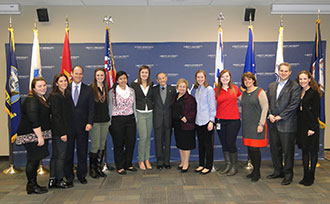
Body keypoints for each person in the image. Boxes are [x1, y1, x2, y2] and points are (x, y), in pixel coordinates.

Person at [266, 62, 300, 185]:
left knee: (288, 151)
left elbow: (294, 104)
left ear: (290, 72)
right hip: (273, 123)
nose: (283, 73)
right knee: (275, 149)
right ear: (278, 71)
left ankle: (288, 175)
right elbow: (267, 103)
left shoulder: (295, 86)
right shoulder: (271, 86)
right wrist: (269, 114)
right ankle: (278, 171)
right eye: (281, 70)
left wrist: (280, 116)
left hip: (287, 124)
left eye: (286, 71)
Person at [16, 77, 51, 194]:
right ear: (34, 88)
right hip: (32, 135)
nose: (43, 88)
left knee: (35, 160)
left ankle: (33, 184)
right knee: (32, 160)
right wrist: (40, 136)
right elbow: (33, 119)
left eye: (44, 85)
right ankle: (31, 185)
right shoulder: (32, 100)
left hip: (37, 134)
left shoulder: (40, 98)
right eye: (39, 86)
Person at [65, 65, 94, 186]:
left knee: (82, 152)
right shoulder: (65, 88)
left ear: (83, 75)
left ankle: (82, 175)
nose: (78, 76)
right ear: (71, 74)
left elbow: (91, 108)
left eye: (80, 73)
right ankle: (69, 176)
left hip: (83, 126)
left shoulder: (88, 89)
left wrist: (89, 122)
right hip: (68, 126)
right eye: (76, 73)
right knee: (68, 153)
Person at [241, 72, 269, 182]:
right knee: (250, 150)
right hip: (247, 125)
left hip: (257, 125)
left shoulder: (260, 92)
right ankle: (253, 170)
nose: (247, 81)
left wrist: (261, 124)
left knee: (255, 149)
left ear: (253, 80)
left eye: (249, 79)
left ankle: (257, 171)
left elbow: (265, 108)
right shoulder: (244, 94)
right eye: (245, 80)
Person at [109, 71, 137, 175]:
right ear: (117, 80)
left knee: (130, 143)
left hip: (130, 119)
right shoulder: (112, 92)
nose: (123, 80)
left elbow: (134, 106)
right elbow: (109, 107)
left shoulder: (132, 91)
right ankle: (119, 166)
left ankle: (128, 164)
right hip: (117, 120)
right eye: (121, 79)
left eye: (125, 78)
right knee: (118, 144)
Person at [296, 70, 321, 186]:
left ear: (309, 79)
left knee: (312, 152)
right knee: (305, 151)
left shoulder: (314, 93)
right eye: (300, 79)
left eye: (305, 79)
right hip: (302, 126)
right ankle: (305, 174)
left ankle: (312, 175)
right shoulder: (300, 92)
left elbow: (316, 112)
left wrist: (312, 128)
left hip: (311, 127)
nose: (302, 81)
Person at [215, 69, 242, 176]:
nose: (225, 78)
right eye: (223, 77)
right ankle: (228, 165)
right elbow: (212, 106)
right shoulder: (216, 90)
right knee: (224, 144)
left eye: (227, 76)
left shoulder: (235, 88)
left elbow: (244, 101)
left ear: (230, 77)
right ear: (220, 79)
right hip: (220, 121)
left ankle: (234, 167)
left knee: (230, 143)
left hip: (233, 121)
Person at [48, 74, 71, 189]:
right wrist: (62, 133)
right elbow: (56, 116)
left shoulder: (65, 94)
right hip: (59, 131)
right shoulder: (55, 96)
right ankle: (59, 180)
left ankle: (52, 179)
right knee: (60, 156)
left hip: (62, 130)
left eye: (65, 81)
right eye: (61, 81)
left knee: (56, 155)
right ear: (56, 83)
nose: (63, 83)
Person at [89, 68, 112, 179]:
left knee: (102, 145)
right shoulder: (91, 89)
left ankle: (98, 168)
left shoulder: (107, 88)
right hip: (95, 122)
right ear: (95, 76)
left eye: (102, 75)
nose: (100, 77)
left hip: (105, 120)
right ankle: (92, 169)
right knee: (95, 145)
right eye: (98, 75)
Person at [130, 65, 153, 170]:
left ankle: (147, 159)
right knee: (143, 137)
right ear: (139, 74)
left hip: (150, 113)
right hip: (140, 113)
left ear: (148, 74)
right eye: (142, 72)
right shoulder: (133, 85)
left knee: (148, 137)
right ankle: (140, 160)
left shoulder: (151, 84)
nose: (144, 74)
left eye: (146, 73)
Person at [193, 70, 216, 175]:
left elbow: (212, 107)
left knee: (208, 145)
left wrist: (211, 121)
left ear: (205, 78)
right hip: (198, 122)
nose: (200, 79)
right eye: (198, 77)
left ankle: (208, 166)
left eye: (202, 77)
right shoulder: (197, 90)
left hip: (207, 121)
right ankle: (201, 164)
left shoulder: (209, 89)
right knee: (201, 145)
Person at [172, 78, 197, 173]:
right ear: (177, 87)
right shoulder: (175, 97)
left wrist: (187, 117)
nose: (182, 88)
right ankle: (182, 162)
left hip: (187, 125)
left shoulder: (190, 98)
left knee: (186, 145)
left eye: (184, 87)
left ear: (186, 88)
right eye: (180, 86)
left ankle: (186, 163)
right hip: (177, 125)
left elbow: (194, 111)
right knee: (180, 144)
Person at [152, 72, 176, 170]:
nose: (162, 80)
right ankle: (159, 161)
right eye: (159, 79)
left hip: (168, 120)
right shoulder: (153, 90)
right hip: (157, 120)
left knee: (167, 142)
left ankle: (167, 162)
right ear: (157, 80)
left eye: (163, 78)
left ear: (166, 78)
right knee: (158, 142)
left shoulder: (172, 89)